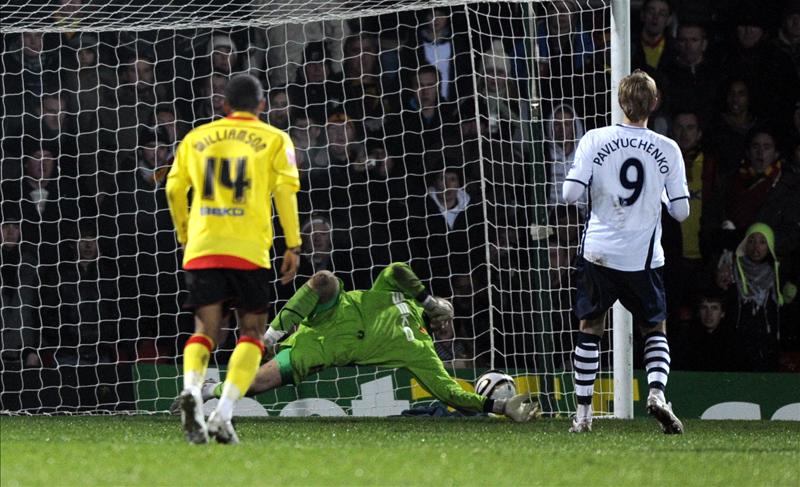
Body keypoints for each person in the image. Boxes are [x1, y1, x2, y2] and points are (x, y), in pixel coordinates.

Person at [183, 263, 539, 422]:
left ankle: (207, 391)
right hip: (330, 313)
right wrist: (428, 299)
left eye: (449, 320)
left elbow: (449, 393)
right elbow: (397, 269)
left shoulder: (421, 352)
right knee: (324, 280)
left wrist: (498, 408)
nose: (448, 323)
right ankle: (270, 334)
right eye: (447, 313)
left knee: (257, 383)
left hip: (324, 351)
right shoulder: (400, 295)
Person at [165, 74, 302, 444]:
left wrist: (184, 234)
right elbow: (286, 192)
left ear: (224, 105)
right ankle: (222, 414)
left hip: (204, 247)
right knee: (253, 333)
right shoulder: (275, 139)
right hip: (248, 251)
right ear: (261, 105)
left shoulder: (196, 138)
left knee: (205, 331)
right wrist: (293, 244)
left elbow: (174, 187)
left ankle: (192, 391)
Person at [562, 70, 689, 434]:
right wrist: (660, 192)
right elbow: (680, 212)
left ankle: (584, 417)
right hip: (643, 259)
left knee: (590, 328)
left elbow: (570, 194)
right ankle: (656, 393)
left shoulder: (594, 139)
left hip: (598, 252)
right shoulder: (668, 148)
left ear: (620, 103)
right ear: (655, 102)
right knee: (655, 328)